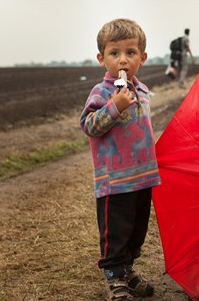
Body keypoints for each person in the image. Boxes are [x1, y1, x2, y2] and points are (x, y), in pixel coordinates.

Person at [79, 18, 161, 301]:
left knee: (136, 233)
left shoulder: (142, 91)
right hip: (114, 182)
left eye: (131, 53)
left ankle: (127, 270)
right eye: (115, 53)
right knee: (115, 234)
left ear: (143, 58)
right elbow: (89, 125)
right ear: (102, 58)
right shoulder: (102, 93)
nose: (123, 60)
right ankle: (115, 278)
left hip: (142, 177)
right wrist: (114, 106)